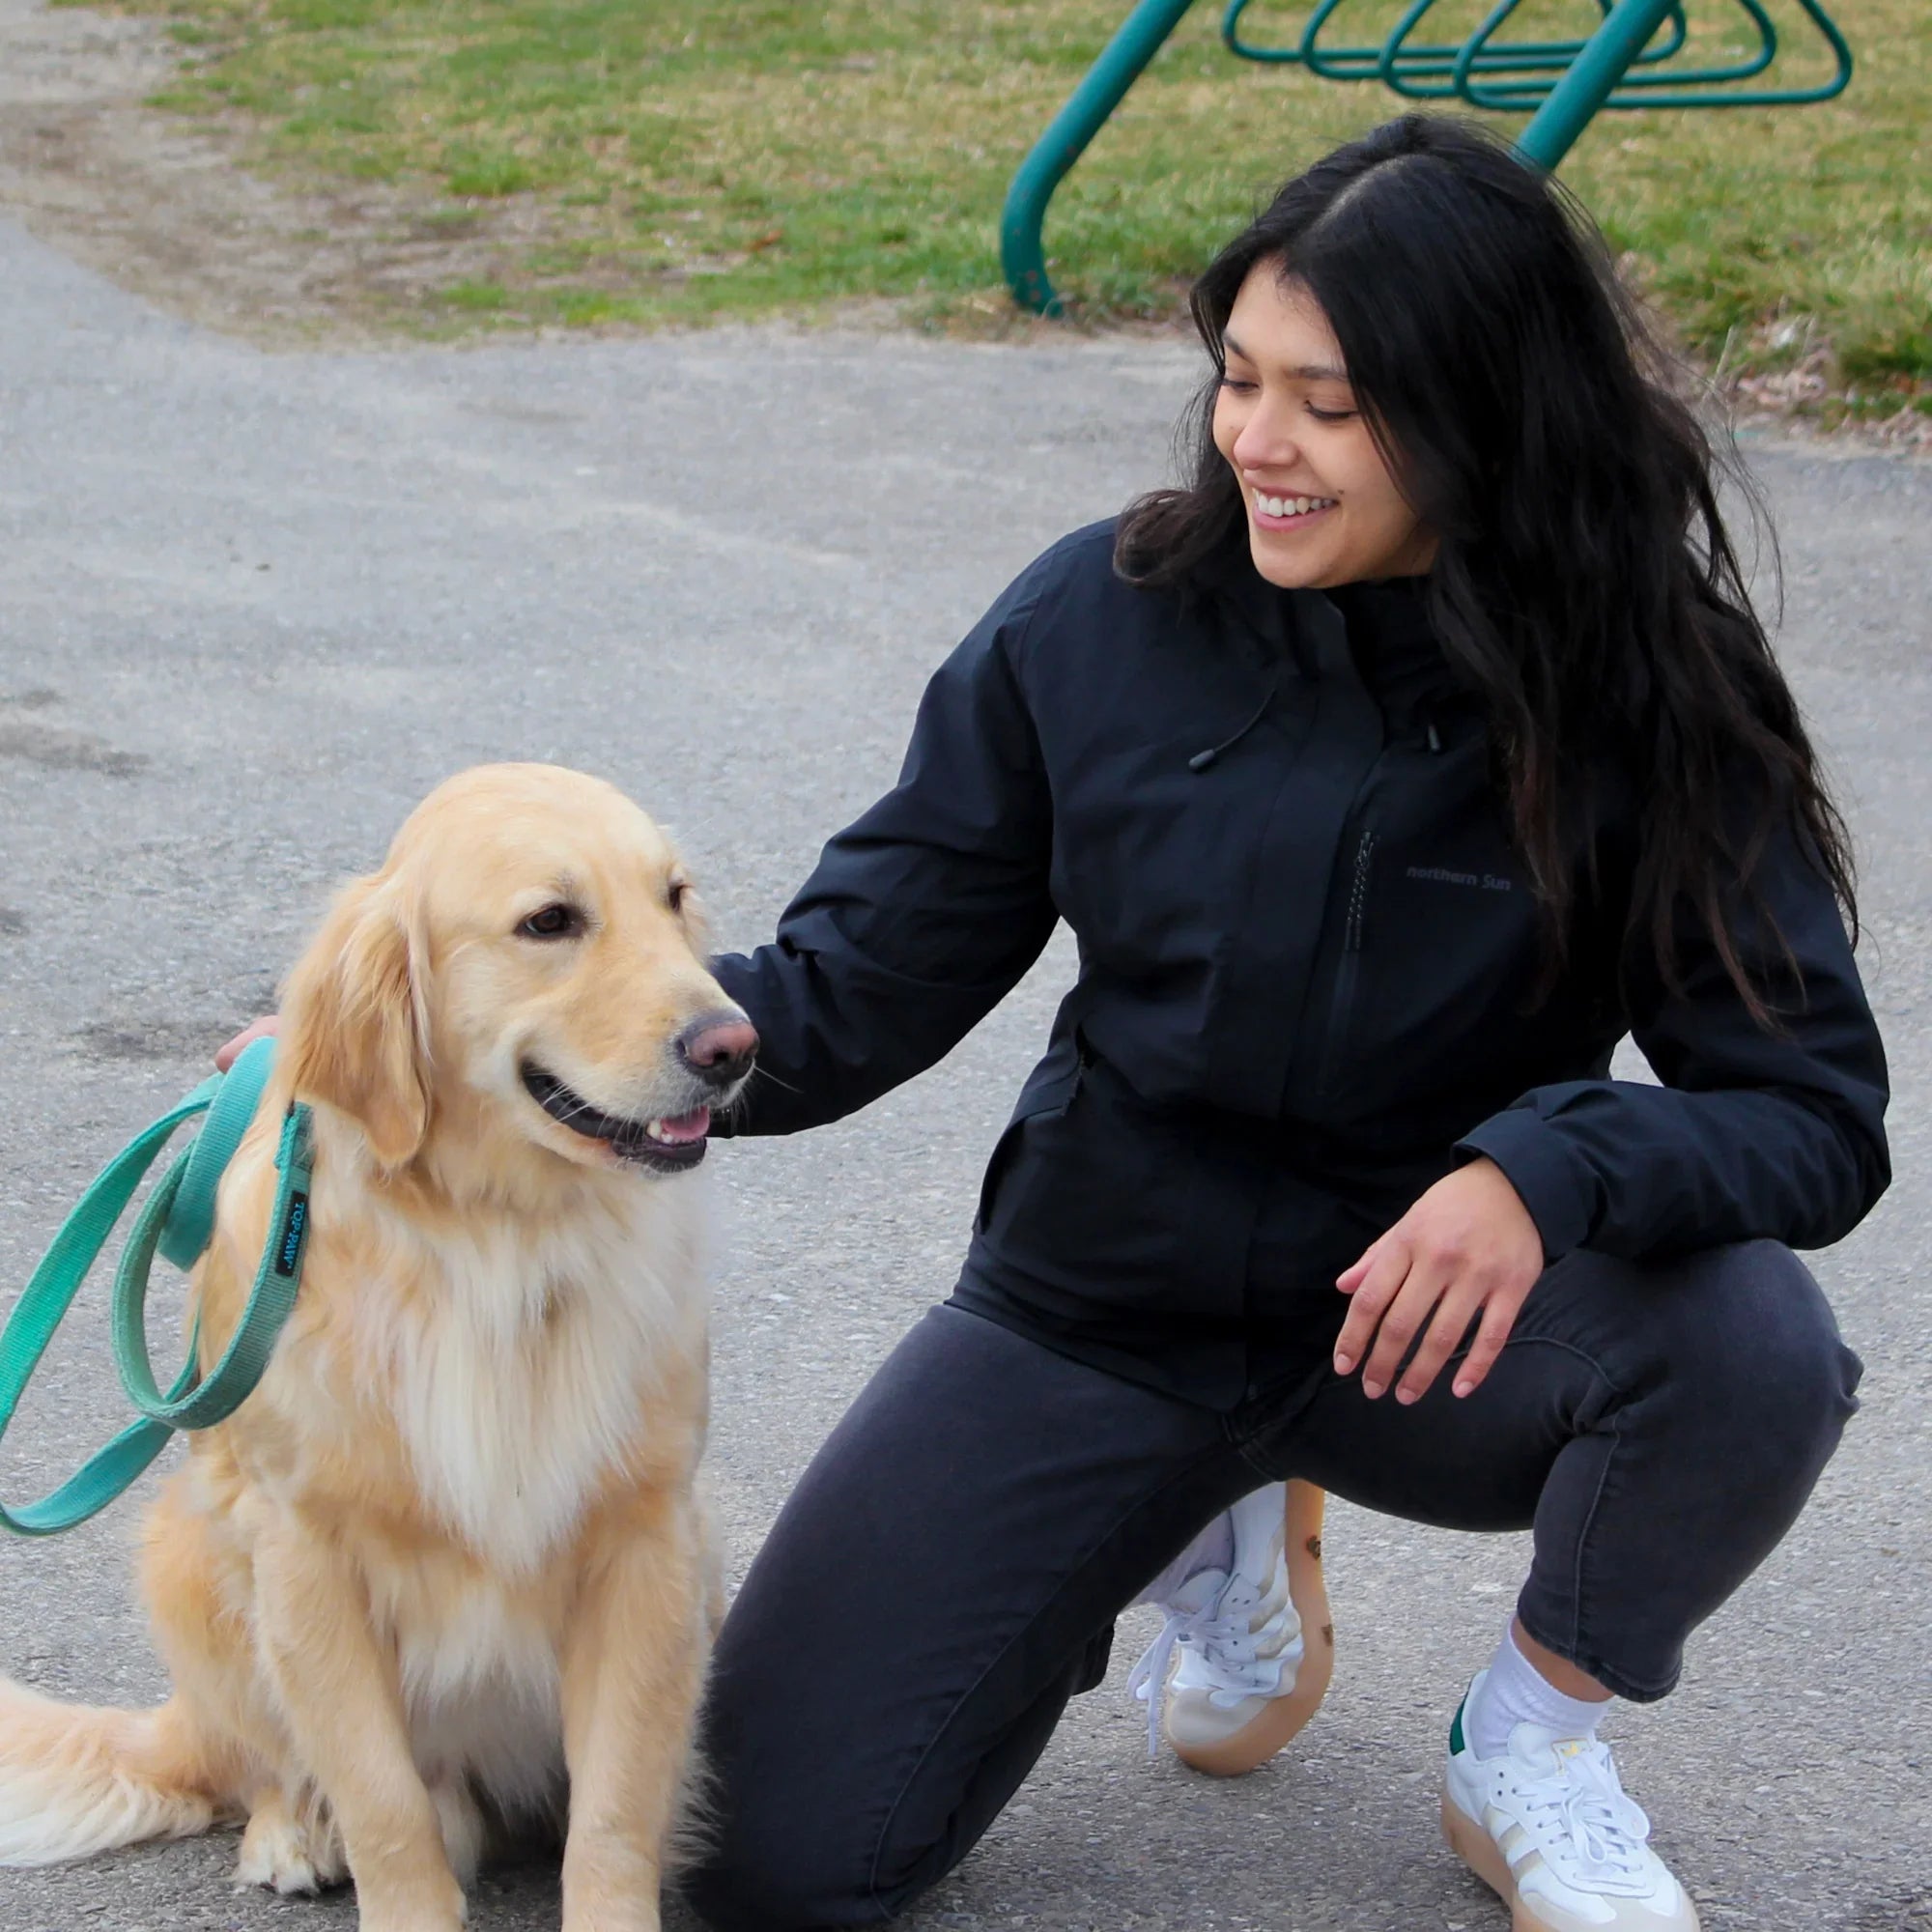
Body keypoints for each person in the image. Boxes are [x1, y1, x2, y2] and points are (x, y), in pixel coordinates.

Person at [215, 114, 1886, 1932]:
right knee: (777, 1864)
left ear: (1483, 413)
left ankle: (1536, 1742)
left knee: (1751, 1345)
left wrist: (1549, 1168)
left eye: (1330, 404)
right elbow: (855, 981)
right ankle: (1194, 1518)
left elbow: (1811, 1112)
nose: (1259, 441)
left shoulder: (1656, 686)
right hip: (1106, 1307)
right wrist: (390, 1055)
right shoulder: (1103, 619)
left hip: (1426, 1321)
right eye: (1239, 378)